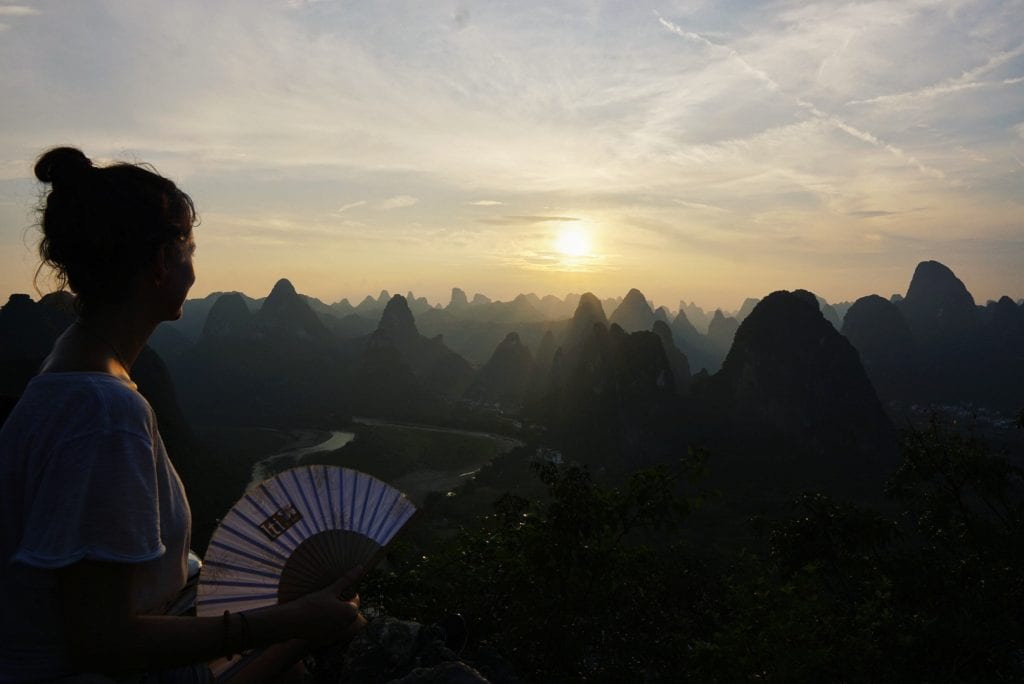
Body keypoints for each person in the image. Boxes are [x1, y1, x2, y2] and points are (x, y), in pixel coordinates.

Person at [0, 147, 364, 682]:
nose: (195, 262)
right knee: (310, 643)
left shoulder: (65, 373)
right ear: (159, 263)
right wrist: (288, 623)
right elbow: (105, 644)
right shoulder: (105, 414)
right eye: (190, 246)